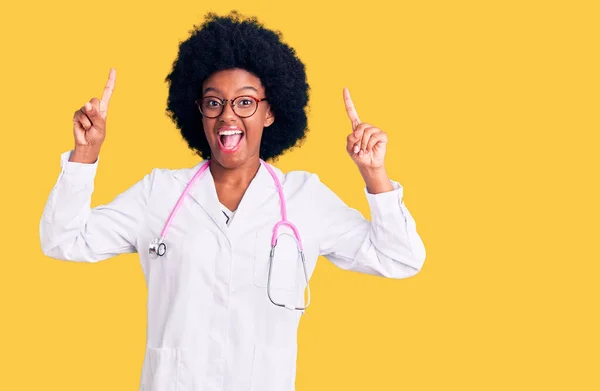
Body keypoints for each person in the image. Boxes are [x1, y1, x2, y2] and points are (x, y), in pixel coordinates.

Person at [39, 10, 426, 391]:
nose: (228, 116)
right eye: (214, 102)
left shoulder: (304, 200)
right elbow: (63, 240)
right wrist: (84, 154)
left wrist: (374, 173)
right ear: (199, 112)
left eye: (245, 102)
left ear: (270, 111)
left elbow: (400, 257)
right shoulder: (161, 194)